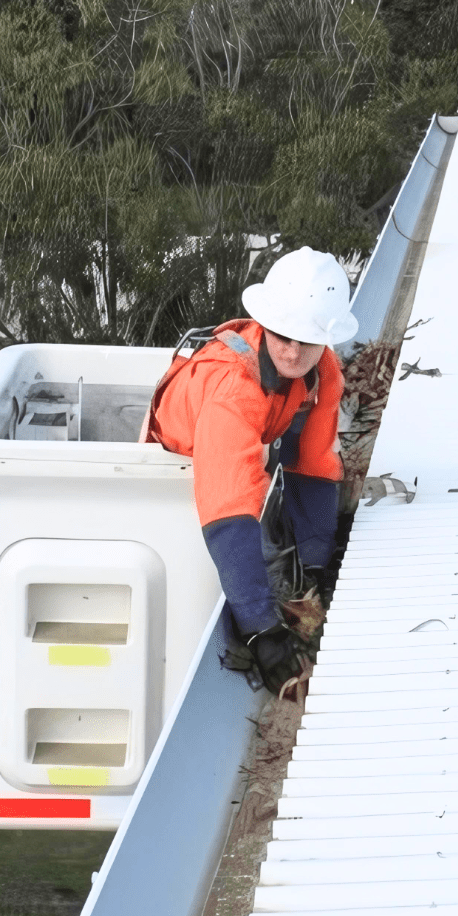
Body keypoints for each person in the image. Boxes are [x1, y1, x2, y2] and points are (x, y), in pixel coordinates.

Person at [145, 247, 358, 695]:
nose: (294, 351)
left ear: (328, 340)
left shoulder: (322, 373)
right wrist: (262, 628)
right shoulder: (234, 393)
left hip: (258, 425)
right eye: (283, 335)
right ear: (265, 323)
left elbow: (314, 463)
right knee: (246, 505)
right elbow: (229, 510)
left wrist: (317, 566)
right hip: (172, 453)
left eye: (308, 340)